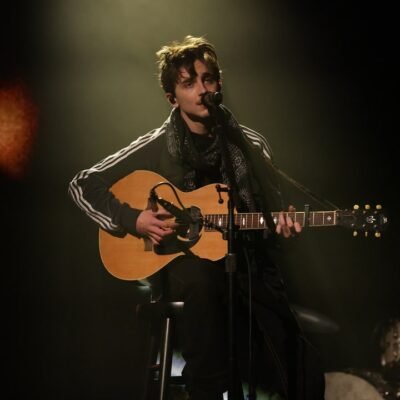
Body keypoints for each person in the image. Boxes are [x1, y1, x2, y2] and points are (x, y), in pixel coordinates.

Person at [68, 35, 325, 400]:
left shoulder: (251, 145)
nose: (202, 90)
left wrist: (283, 230)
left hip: (247, 267)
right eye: (189, 84)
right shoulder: (157, 145)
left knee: (304, 371)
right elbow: (82, 184)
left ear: (219, 84)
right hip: (182, 268)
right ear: (172, 98)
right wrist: (133, 219)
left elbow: (273, 217)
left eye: (209, 79)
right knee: (202, 281)